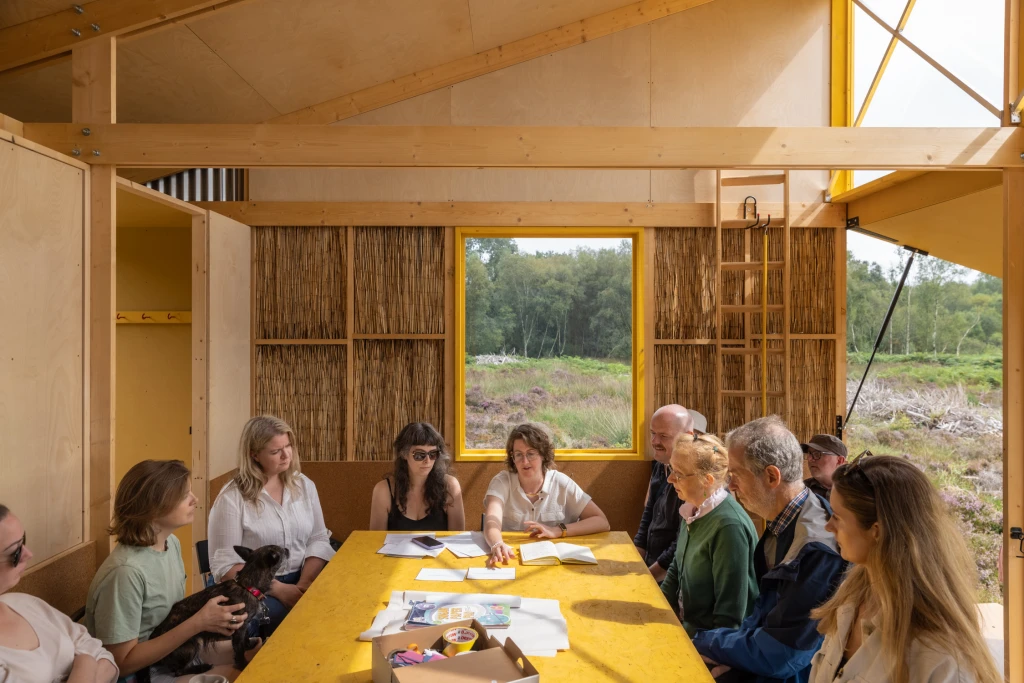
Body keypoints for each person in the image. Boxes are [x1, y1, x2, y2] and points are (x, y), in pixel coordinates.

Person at [808, 456, 1001, 683]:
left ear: (877, 531)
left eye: (837, 517)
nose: (828, 526)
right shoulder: (852, 599)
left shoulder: (940, 657)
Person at [692, 416, 847, 683]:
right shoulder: (787, 518)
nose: (731, 486)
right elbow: (765, 619)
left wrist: (704, 642)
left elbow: (785, 655)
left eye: (736, 474)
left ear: (772, 476)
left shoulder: (816, 548)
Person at [86, 460, 255, 682]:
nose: (194, 499)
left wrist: (210, 622)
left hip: (169, 657)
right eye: (185, 495)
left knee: (258, 653)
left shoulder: (171, 543)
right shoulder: (126, 573)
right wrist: (198, 623)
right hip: (139, 674)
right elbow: (120, 663)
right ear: (153, 507)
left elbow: (170, 624)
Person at [208, 415, 336, 636]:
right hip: (255, 588)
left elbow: (318, 539)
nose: (286, 455)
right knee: (297, 622)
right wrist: (280, 590)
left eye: (288, 446)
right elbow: (225, 566)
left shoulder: (304, 485)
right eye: (275, 451)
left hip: (303, 577)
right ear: (254, 454)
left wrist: (304, 584)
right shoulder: (232, 497)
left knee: (339, 608)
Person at [0, 505, 118, 683]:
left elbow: (106, 660)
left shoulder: (25, 603)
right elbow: (92, 657)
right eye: (15, 552)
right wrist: (85, 663)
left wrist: (85, 666)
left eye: (23, 540)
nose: (28, 554)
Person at [660, 433, 758, 636]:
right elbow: (676, 568)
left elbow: (729, 617)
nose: (669, 479)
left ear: (707, 480)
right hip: (685, 628)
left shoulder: (728, 527)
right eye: (671, 469)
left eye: (678, 473)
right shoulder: (693, 510)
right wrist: (658, 611)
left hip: (710, 642)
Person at [484, 423, 610, 567]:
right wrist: (497, 544)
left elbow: (601, 521)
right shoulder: (501, 482)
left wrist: (557, 531)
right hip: (510, 560)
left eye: (531, 453)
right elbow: (491, 521)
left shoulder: (561, 483)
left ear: (543, 454)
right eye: (518, 454)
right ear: (512, 457)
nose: (524, 461)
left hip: (555, 564)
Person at [369, 422, 466, 531]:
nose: (427, 461)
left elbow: (457, 538)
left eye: (433, 454)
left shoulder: (449, 486)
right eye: (420, 455)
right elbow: (375, 541)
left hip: (440, 549)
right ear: (404, 454)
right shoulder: (384, 490)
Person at [635, 405, 694, 582]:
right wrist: (633, 561)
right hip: (652, 567)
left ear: (688, 438)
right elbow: (648, 516)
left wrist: (647, 577)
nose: (654, 441)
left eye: (664, 436)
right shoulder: (661, 464)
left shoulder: (695, 478)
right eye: (653, 433)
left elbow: (683, 541)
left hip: (673, 577)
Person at [801, 434, 847, 501]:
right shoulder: (801, 490)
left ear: (840, 460)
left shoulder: (856, 490)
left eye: (817, 454)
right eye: (809, 453)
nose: (809, 459)